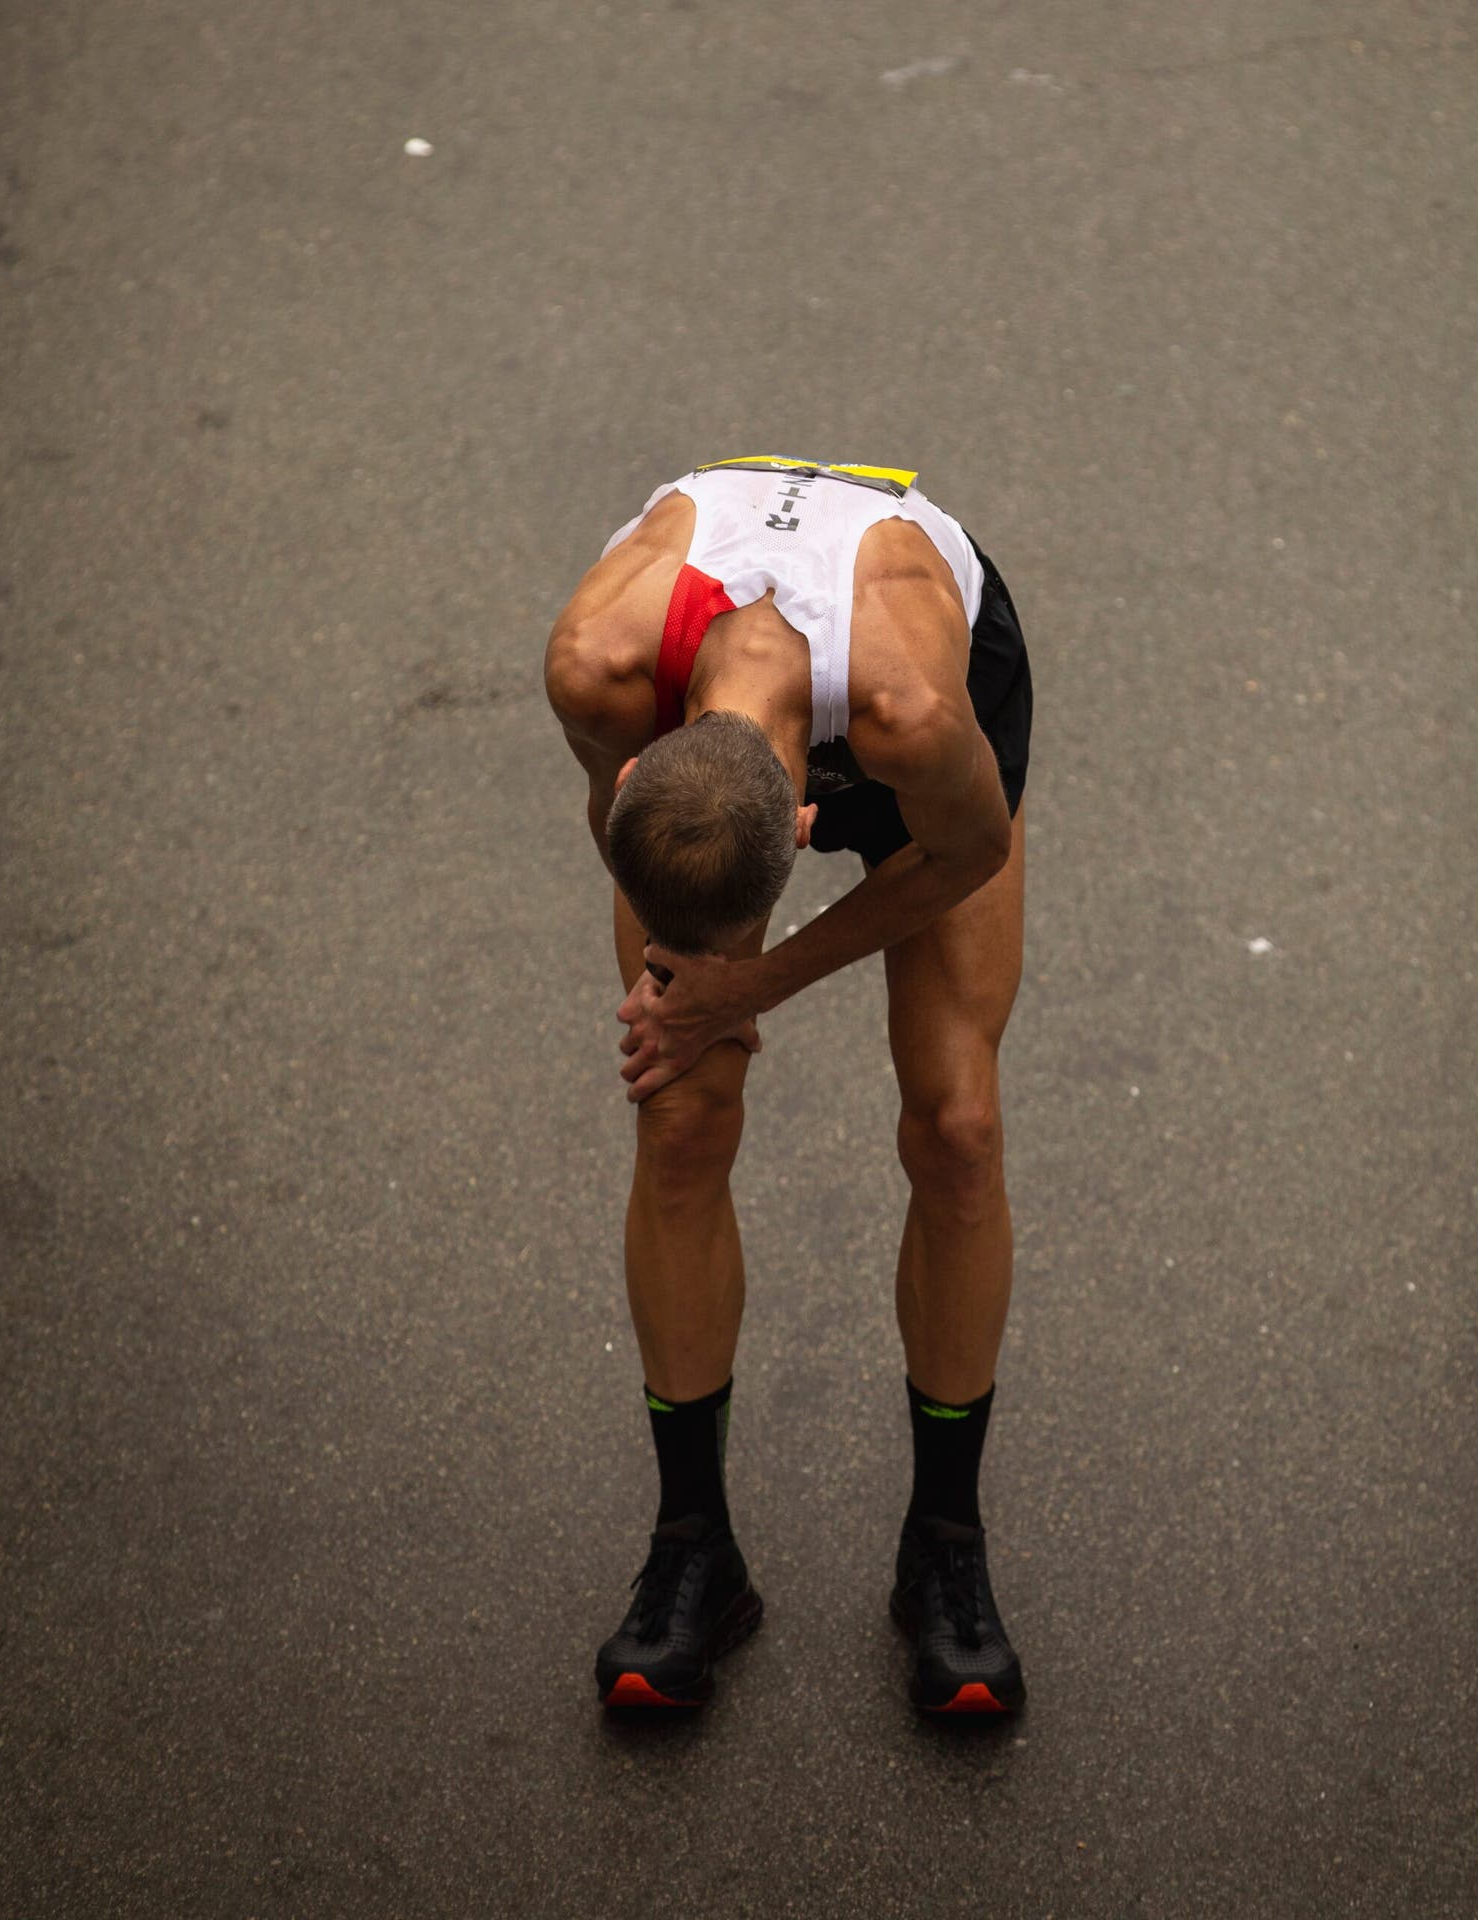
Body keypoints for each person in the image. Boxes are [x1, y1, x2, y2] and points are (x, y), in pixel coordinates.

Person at [543, 456, 1033, 1715]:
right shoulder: (599, 667)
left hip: (914, 676)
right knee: (680, 1116)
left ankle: (945, 1543)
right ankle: (693, 1545)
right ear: (646, 767)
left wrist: (755, 985)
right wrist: (692, 993)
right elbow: (614, 822)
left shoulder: (910, 710)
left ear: (814, 812)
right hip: (709, 680)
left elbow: (969, 849)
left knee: (958, 1128)